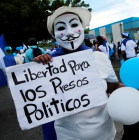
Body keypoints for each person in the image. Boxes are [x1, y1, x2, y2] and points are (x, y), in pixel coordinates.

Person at [33, 6, 124, 140]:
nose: (69, 32)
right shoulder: (49, 64)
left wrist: (129, 92)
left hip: (104, 134)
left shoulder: (99, 58)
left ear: (82, 27)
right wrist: (37, 71)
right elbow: (40, 100)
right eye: (61, 28)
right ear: (54, 34)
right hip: (67, 136)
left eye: (74, 24)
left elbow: (113, 87)